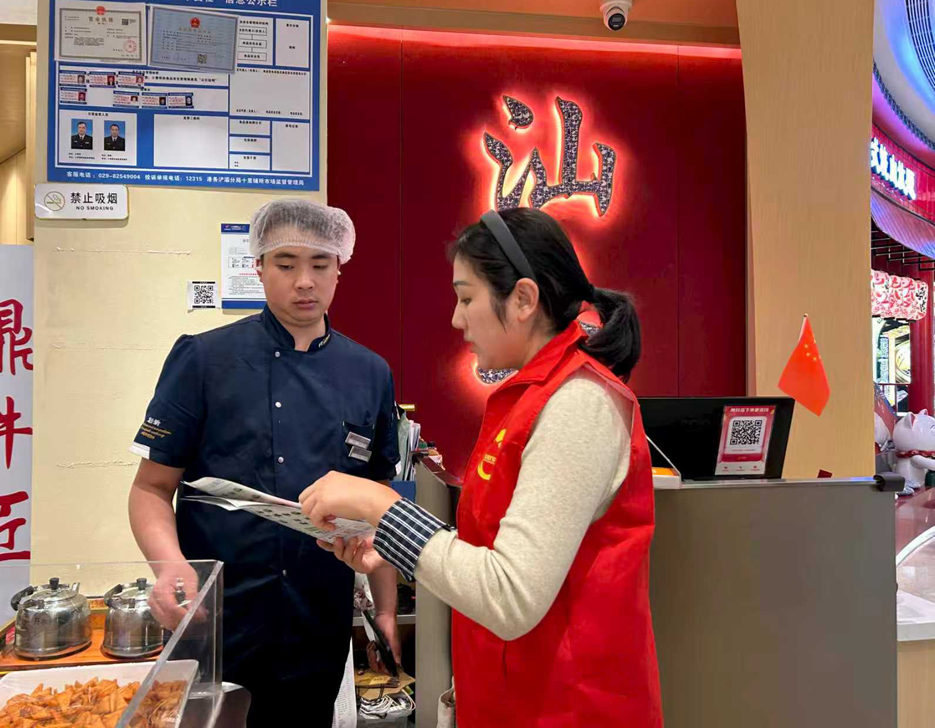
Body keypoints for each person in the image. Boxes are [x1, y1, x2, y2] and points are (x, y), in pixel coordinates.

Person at [301, 208, 663, 727]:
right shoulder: (529, 396)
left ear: (523, 299)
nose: (457, 318)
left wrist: (385, 507)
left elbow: (511, 595)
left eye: (467, 298)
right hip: (516, 699)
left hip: (569, 708)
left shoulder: (578, 403)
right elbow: (491, 550)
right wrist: (391, 542)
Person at [127, 200, 402, 727]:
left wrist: (385, 611)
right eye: (285, 264)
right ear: (257, 266)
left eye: (320, 264)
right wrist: (169, 565)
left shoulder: (369, 372)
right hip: (217, 618)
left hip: (317, 619)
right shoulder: (203, 359)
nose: (304, 281)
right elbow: (151, 488)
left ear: (339, 269)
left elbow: (379, 504)